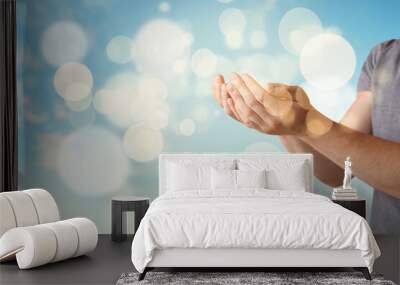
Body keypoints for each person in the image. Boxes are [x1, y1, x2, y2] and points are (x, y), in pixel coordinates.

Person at [212, 39, 400, 235]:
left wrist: (304, 121)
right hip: (386, 249)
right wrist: (287, 124)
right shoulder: (384, 56)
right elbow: (338, 168)